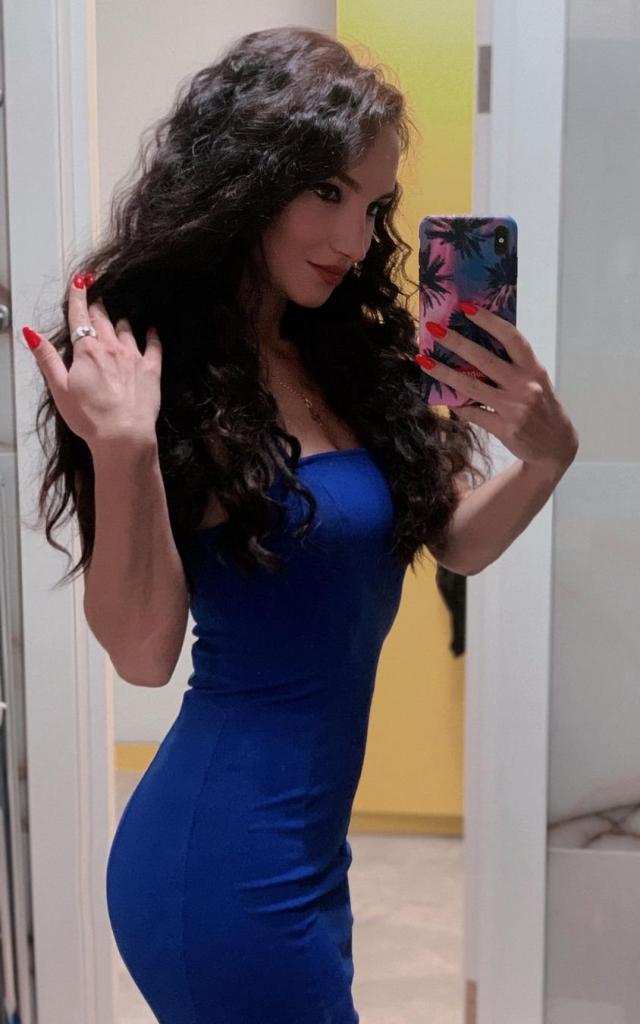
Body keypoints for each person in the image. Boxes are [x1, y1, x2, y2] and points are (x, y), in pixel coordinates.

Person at [20, 25, 492, 1024]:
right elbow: (143, 653)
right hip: (223, 864)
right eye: (326, 192)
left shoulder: (337, 355)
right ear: (247, 179)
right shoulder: (151, 365)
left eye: (373, 206)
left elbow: (457, 537)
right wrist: (124, 446)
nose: (354, 240)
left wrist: (547, 449)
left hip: (309, 853)